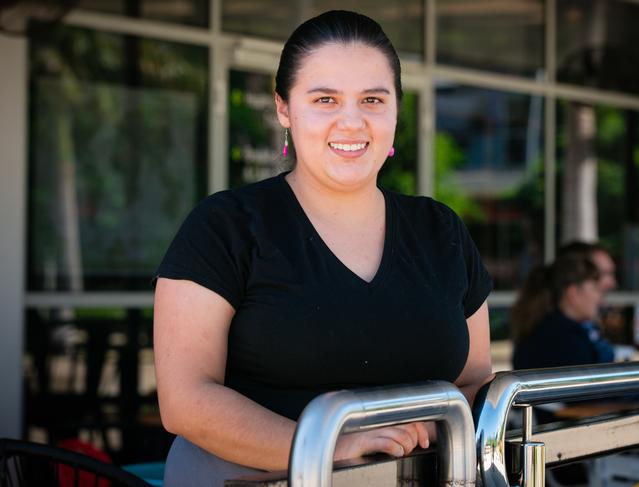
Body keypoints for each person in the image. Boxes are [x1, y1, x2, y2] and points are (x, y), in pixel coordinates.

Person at [153, 10, 493, 487]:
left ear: (397, 110)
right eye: (325, 99)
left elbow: (475, 379)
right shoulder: (224, 226)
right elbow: (184, 400)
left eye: (372, 99)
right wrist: (329, 442)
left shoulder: (442, 231)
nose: (351, 122)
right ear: (284, 110)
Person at [511, 253, 614, 370]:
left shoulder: (543, 328)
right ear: (573, 293)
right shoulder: (568, 342)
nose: (600, 299)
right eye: (595, 289)